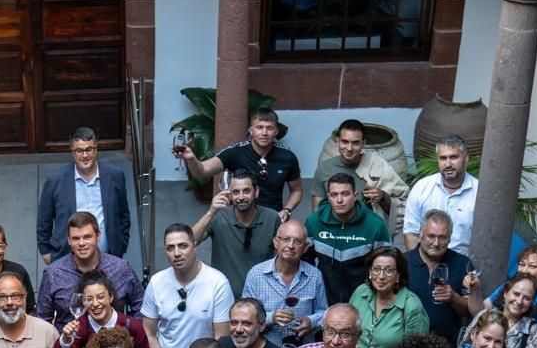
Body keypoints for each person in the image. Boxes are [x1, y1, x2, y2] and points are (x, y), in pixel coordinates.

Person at [142, 223, 234, 348]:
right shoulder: (157, 282)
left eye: (183, 246)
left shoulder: (217, 282)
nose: (177, 253)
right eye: (170, 248)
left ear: (195, 247)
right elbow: (149, 334)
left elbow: (221, 338)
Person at [174, 107, 303, 217]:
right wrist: (191, 159)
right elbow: (201, 171)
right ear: (251, 131)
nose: (264, 133)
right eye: (259, 127)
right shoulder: (236, 152)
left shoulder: (287, 157)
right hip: (238, 219)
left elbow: (297, 190)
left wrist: (287, 210)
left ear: (276, 132)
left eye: (269, 128)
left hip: (273, 219)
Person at [38, 128, 132, 262]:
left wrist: (121, 245)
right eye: (79, 151)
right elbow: (44, 220)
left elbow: (124, 215)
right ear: (72, 151)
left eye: (89, 149)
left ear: (96, 149)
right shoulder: (55, 180)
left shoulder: (114, 175)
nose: (84, 155)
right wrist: (45, 251)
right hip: (66, 257)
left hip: (108, 257)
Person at [52, 270, 156, 348]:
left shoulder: (131, 326)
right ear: (83, 301)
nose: (95, 304)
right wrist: (65, 338)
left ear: (110, 297)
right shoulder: (81, 325)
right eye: (89, 299)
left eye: (100, 297)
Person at [34, 212, 143, 325]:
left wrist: (131, 334)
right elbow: (42, 320)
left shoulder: (121, 268)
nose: (82, 243)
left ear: (98, 236)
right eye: (76, 238)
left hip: (113, 339)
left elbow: (141, 308)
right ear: (69, 240)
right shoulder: (53, 273)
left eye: (87, 237)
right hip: (69, 340)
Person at [192, 169, 281, 299]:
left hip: (261, 297)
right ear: (230, 195)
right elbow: (190, 242)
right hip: (223, 297)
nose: (241, 197)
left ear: (256, 192)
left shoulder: (272, 218)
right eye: (235, 192)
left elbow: (281, 258)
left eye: (246, 191)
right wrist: (211, 212)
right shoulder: (219, 216)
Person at [349, 245, 431, 348]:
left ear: (398, 275)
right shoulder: (361, 292)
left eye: (389, 271)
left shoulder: (411, 306)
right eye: (376, 269)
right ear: (370, 272)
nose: (381, 276)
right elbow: (347, 327)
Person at [304, 172, 391, 304]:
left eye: (345, 194)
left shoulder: (375, 224)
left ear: (355, 196)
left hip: (365, 300)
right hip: (324, 298)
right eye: (334, 195)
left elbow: (386, 266)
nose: (339, 200)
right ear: (328, 197)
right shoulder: (314, 221)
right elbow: (305, 262)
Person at [312, 118, 409, 232]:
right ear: (337, 141)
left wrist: (382, 196)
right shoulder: (324, 169)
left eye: (355, 143)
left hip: (369, 234)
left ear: (363, 144)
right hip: (334, 233)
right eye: (345, 142)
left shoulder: (377, 166)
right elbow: (317, 212)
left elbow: (403, 202)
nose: (349, 148)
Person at [242, 220, 326, 348]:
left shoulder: (314, 276)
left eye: (297, 241)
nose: (291, 246)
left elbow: (323, 312)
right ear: (276, 242)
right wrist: (271, 318)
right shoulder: (256, 274)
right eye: (286, 239)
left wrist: (311, 321)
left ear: (305, 247)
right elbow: (244, 315)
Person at [404, 210, 481, 348]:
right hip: (408, 346)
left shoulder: (463, 264)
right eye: (431, 236)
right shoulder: (403, 262)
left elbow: (472, 313)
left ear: (450, 239)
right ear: (421, 235)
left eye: (442, 237)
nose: (436, 243)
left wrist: (453, 298)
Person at [402, 136, 479, 255]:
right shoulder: (422, 188)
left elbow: (484, 240)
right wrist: (419, 265)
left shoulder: (479, 193)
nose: (448, 164)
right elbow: (411, 232)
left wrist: (465, 268)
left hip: (464, 265)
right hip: (426, 261)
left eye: (453, 157)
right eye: (443, 158)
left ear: (466, 158)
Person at [459, 273, 537, 348]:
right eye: (516, 294)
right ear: (505, 293)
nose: (519, 301)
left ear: (532, 302)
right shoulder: (484, 315)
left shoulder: (533, 330)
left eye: (527, 298)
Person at [485, 243, 537, 345]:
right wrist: (474, 290)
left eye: (532, 266)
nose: (524, 271)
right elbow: (480, 311)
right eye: (522, 264)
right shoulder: (508, 286)